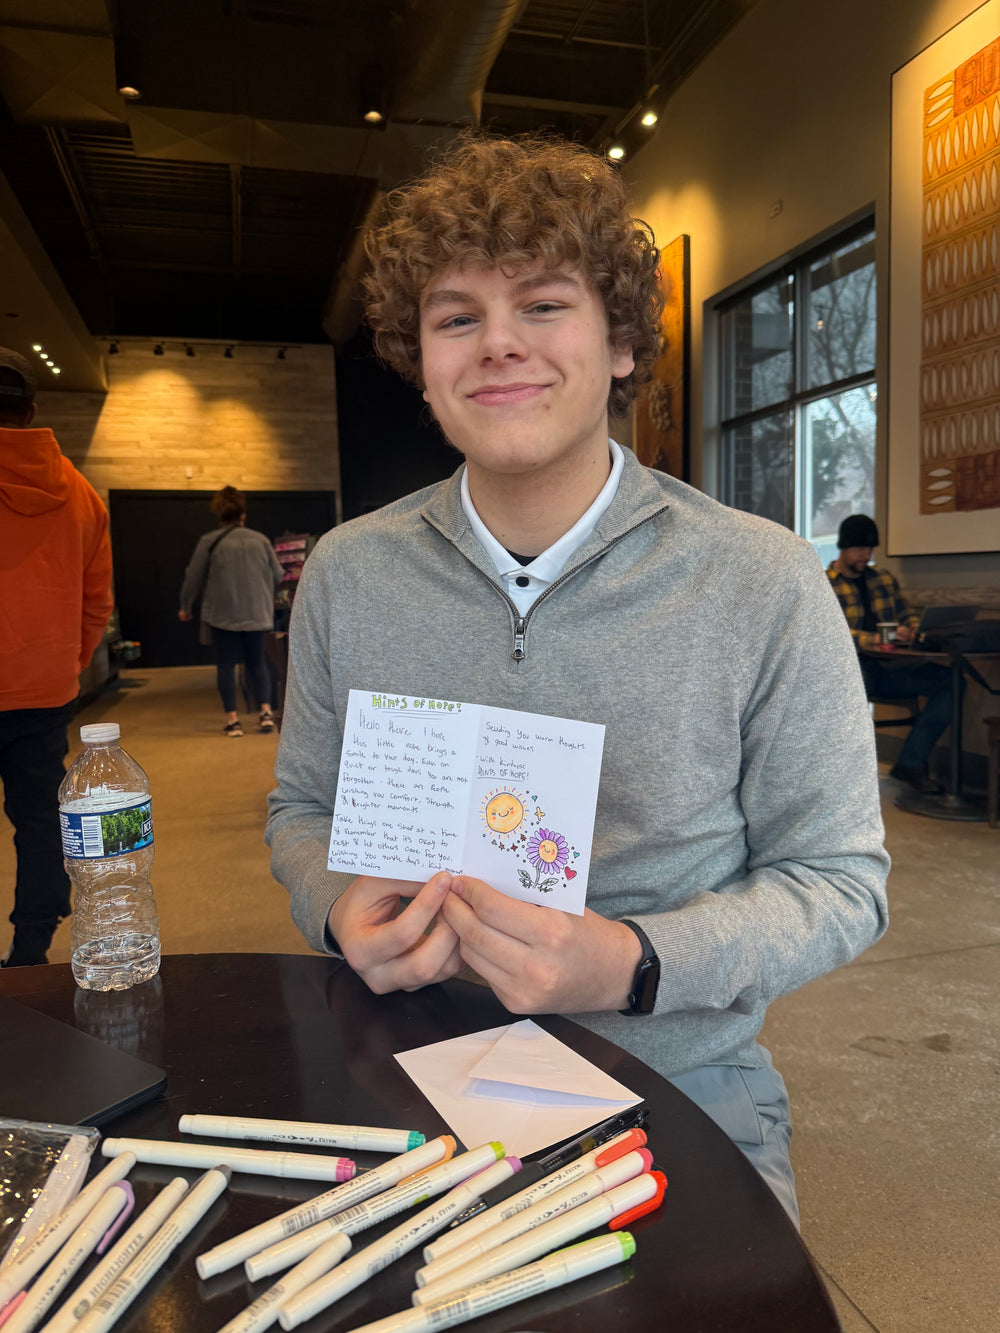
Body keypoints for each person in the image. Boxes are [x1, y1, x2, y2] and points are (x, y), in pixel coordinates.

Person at [266, 134, 889, 1226]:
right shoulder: (350, 572)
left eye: (544, 305)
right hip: (407, 1051)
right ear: (421, 361)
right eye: (457, 317)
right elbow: (302, 807)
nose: (499, 343)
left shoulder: (760, 579)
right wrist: (334, 904)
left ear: (621, 342)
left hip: (677, 1072)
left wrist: (633, 963)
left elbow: (841, 880)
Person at [0, 347, 113, 967]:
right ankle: (30, 952)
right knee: (41, 820)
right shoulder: (79, 493)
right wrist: (66, 664)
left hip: (39, 684)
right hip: (44, 691)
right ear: (33, 410)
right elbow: (98, 601)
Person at [826, 513, 956, 795]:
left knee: (951, 683)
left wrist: (910, 630)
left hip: (892, 666)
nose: (866, 555)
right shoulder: (825, 584)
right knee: (850, 690)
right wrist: (871, 638)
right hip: (853, 668)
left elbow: (904, 615)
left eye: (870, 549)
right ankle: (844, 778)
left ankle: (911, 762)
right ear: (844, 547)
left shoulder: (883, 580)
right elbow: (829, 633)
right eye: (860, 549)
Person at [179, 486, 284, 737]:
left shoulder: (209, 541)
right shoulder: (260, 540)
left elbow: (193, 577)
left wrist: (185, 605)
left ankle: (233, 721)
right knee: (257, 662)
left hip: (222, 615)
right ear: (243, 515)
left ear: (220, 515)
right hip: (257, 614)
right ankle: (266, 714)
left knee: (225, 666)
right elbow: (278, 575)